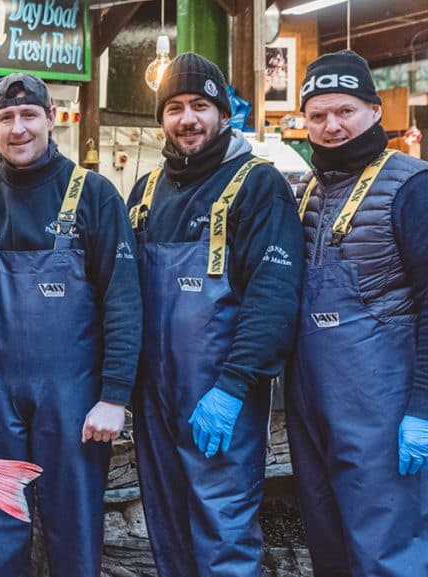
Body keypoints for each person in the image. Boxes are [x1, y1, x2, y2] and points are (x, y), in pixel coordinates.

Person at [0, 73, 142, 577]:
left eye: (29, 115)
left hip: (75, 397)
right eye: (6, 118)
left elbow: (123, 300)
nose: (18, 129)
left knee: (73, 528)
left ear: (51, 119)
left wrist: (115, 394)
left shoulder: (94, 195)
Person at [125, 53, 303, 576]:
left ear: (224, 114)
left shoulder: (257, 184)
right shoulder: (145, 192)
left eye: (200, 105)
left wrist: (232, 388)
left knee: (223, 528)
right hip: (154, 398)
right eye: (175, 107)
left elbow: (274, 295)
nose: (187, 119)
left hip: (219, 393)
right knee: (167, 524)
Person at [287, 49, 428, 576]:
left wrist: (422, 409)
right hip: (313, 400)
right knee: (328, 542)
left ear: (374, 110)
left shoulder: (412, 186)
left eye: (345, 111)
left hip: (384, 406)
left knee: (385, 547)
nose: (331, 126)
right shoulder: (306, 193)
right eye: (318, 115)